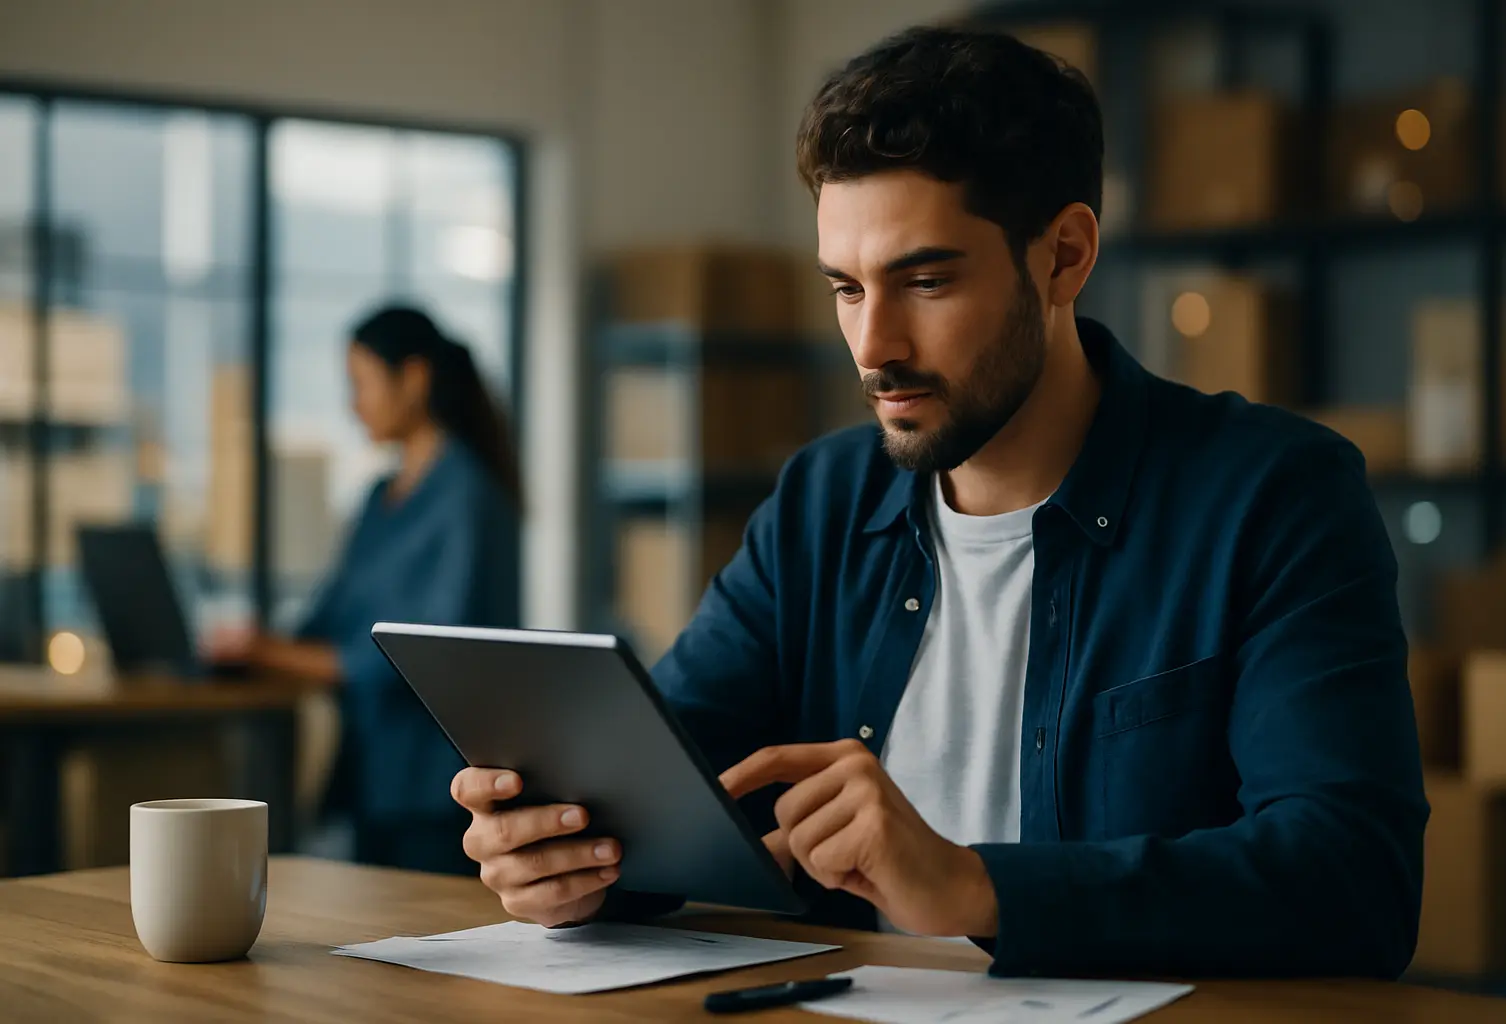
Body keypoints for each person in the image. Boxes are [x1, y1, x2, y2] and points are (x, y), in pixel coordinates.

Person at [451, 27, 1427, 977]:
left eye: (924, 280)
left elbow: (1354, 880)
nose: (874, 344)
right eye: (845, 287)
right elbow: (670, 785)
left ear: (1065, 256)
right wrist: (567, 856)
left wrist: (976, 885)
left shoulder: (1275, 495)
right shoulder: (821, 503)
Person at [211, 304, 521, 875]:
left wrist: (273, 654)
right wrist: (257, 645)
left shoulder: (466, 501)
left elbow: (423, 653)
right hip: (374, 774)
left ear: (415, 379)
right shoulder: (379, 498)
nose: (352, 404)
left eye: (360, 384)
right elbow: (329, 616)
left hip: (439, 784)